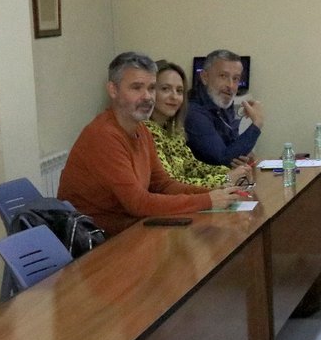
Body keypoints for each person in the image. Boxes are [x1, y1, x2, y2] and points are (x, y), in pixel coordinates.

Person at [59, 52, 242, 235]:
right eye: (137, 88)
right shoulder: (104, 135)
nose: (147, 97)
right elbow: (138, 203)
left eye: (152, 88)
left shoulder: (141, 130)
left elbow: (163, 185)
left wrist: (211, 192)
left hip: (131, 230)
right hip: (97, 243)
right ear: (113, 90)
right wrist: (207, 200)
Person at [147, 60, 253, 188]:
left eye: (179, 91)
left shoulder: (175, 129)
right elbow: (171, 184)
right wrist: (225, 179)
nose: (174, 97)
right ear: (149, 92)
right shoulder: (146, 132)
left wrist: (232, 173)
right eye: (165, 89)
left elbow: (192, 166)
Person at [185, 49, 264, 166]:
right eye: (223, 76)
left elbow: (233, 152)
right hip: (205, 182)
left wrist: (242, 153)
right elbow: (222, 159)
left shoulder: (222, 102)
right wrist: (257, 123)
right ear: (205, 77)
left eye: (236, 78)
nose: (230, 86)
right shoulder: (193, 112)